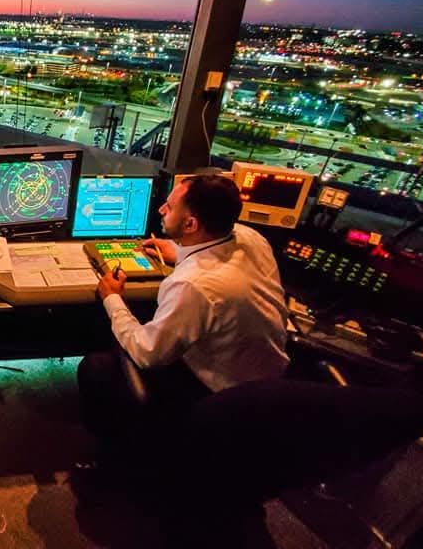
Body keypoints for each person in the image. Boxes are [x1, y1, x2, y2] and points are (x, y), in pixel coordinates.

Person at [77, 174, 289, 435]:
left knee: (96, 367)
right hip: (269, 381)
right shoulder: (251, 237)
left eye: (169, 207)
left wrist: (112, 298)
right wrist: (180, 251)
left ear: (190, 224)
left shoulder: (193, 284)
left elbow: (147, 354)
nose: (161, 210)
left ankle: (119, 451)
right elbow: (215, 253)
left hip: (222, 394)